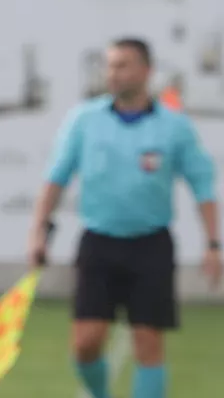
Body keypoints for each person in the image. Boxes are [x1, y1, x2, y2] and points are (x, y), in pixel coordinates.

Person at [28, 37, 221, 398]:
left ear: (146, 71)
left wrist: (213, 244)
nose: (113, 73)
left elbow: (203, 187)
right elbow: (55, 178)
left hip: (151, 245)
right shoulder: (84, 120)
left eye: (122, 65)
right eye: (110, 65)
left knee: (148, 342)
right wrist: (38, 231)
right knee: (85, 344)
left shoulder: (173, 126)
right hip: (99, 242)